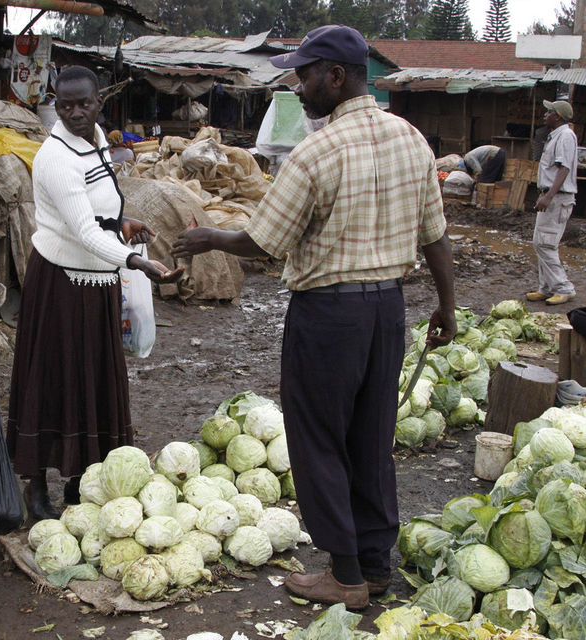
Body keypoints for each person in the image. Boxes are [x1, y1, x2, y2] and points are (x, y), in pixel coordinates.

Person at [172, 25, 456, 610]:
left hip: (330, 314)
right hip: (387, 310)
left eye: (304, 75)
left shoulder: (315, 152)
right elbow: (436, 237)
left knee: (319, 439)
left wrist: (210, 238)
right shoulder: (411, 138)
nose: (297, 87)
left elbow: (266, 240)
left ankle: (345, 576)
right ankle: (374, 566)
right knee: (372, 438)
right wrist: (448, 307)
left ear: (335, 76)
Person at [7, 65, 183, 521]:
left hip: (99, 280)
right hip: (61, 285)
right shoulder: (55, 157)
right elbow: (81, 229)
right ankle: (34, 486)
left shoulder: (99, 140)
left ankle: (79, 479)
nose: (76, 113)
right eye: (65, 106)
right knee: (54, 380)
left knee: (91, 380)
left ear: (98, 101)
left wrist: (122, 226)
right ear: (56, 105)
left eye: (84, 103)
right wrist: (137, 260)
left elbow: (95, 211)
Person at [526, 100, 578, 306]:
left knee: (546, 244)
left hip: (557, 198)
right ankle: (546, 287)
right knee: (540, 242)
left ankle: (563, 288)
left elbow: (563, 169)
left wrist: (548, 196)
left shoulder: (565, 136)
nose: (544, 115)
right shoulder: (556, 136)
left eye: (549, 112)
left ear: (558, 116)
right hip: (550, 195)